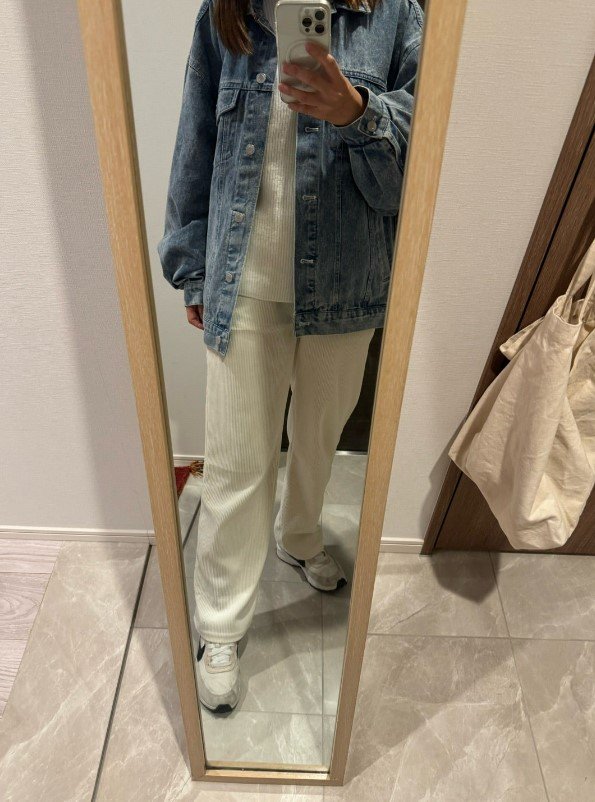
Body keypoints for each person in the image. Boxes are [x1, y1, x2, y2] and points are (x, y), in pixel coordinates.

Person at [158, 0, 423, 712]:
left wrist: (358, 114)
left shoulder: (394, 15)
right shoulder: (227, 13)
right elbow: (195, 143)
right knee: (236, 461)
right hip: (243, 280)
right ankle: (220, 626)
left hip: (347, 281)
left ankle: (299, 535)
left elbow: (415, 178)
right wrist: (192, 268)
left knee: (318, 436)